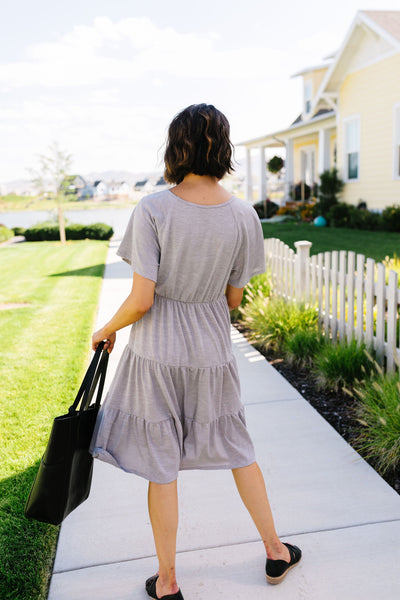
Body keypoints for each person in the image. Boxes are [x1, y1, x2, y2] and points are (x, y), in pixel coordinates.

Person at [90, 104, 301, 600]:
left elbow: (142, 300)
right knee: (238, 449)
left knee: (161, 465)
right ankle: (275, 551)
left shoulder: (153, 209)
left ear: (176, 146)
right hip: (210, 351)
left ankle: (167, 583)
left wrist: (106, 328)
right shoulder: (244, 214)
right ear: (223, 147)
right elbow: (233, 298)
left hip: (157, 355)